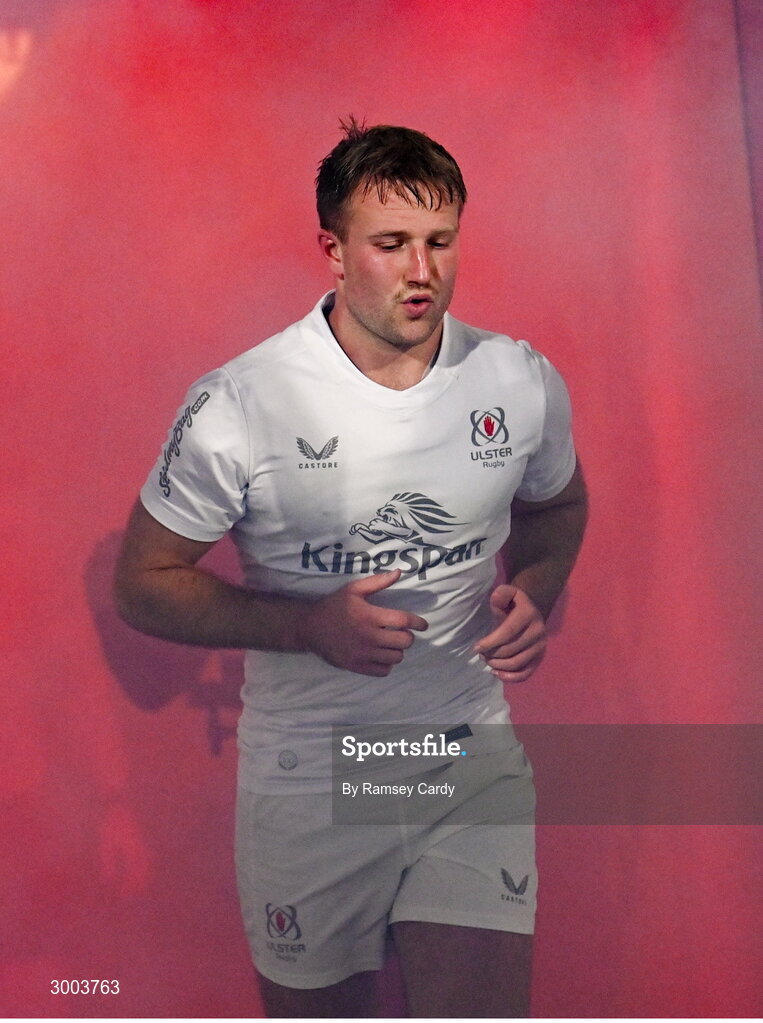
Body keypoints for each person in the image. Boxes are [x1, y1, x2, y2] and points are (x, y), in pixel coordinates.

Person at [115, 118, 588, 1018]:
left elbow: (558, 506)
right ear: (332, 251)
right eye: (392, 245)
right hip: (313, 773)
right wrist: (303, 626)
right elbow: (141, 580)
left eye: (440, 242)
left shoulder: (516, 379)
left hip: (461, 751)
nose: (422, 271)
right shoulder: (240, 403)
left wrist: (533, 586)